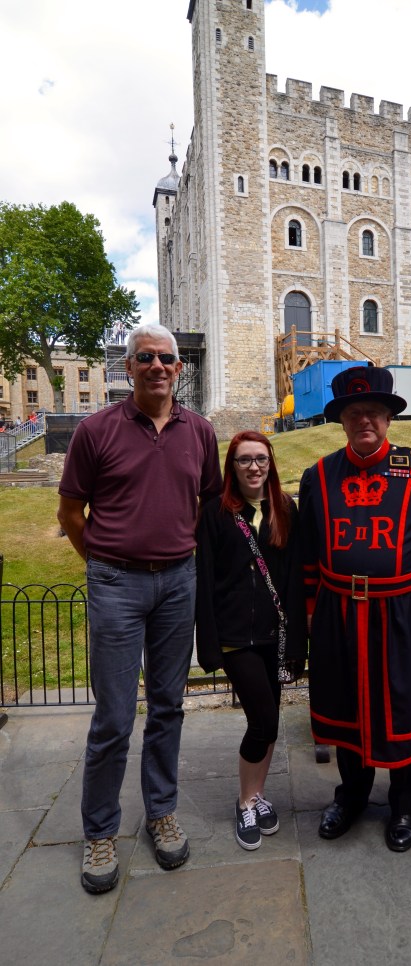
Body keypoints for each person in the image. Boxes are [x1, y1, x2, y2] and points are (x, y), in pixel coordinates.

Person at [57, 322, 222, 894]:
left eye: (167, 358)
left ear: (180, 368)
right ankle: (100, 831)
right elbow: (70, 514)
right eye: (145, 357)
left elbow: (203, 503)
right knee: (112, 718)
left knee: (169, 706)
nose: (157, 366)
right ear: (128, 368)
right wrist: (104, 560)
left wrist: (174, 550)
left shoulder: (200, 432)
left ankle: (161, 812)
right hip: (116, 586)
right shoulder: (96, 431)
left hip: (178, 582)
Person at [299, 366, 411, 852]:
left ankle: (406, 805)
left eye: (374, 412)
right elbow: (307, 555)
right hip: (338, 613)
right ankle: (352, 797)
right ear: (342, 420)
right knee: (345, 708)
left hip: (401, 615)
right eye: (354, 413)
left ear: (388, 418)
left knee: (403, 709)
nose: (365, 420)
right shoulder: (317, 476)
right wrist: (309, 611)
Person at [195, 431, 307, 850]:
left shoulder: (284, 510)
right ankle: (244, 801)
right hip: (234, 637)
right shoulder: (215, 513)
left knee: (271, 718)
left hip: (273, 635)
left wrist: (297, 642)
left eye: (261, 459)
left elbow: (293, 579)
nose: (254, 467)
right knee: (263, 719)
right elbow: (204, 579)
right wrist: (208, 642)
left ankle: (258, 795)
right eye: (244, 460)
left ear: (271, 463)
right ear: (232, 467)